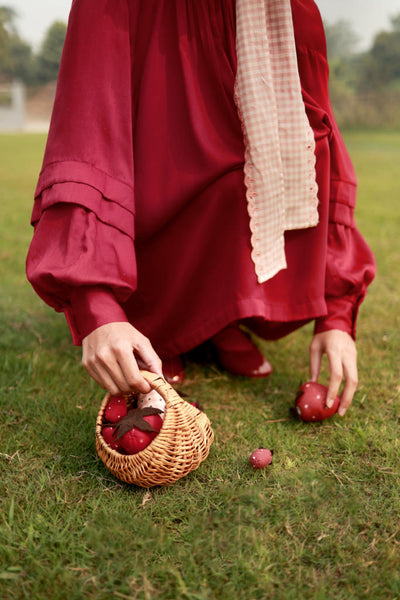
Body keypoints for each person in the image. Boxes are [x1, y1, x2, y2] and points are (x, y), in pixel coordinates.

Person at [26, 0, 376, 417]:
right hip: (158, 20)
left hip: (248, 14)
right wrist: (95, 306)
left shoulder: (283, 9)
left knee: (258, 159)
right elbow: (88, 131)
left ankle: (220, 319)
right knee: (168, 160)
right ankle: (159, 327)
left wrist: (337, 315)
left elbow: (322, 144)